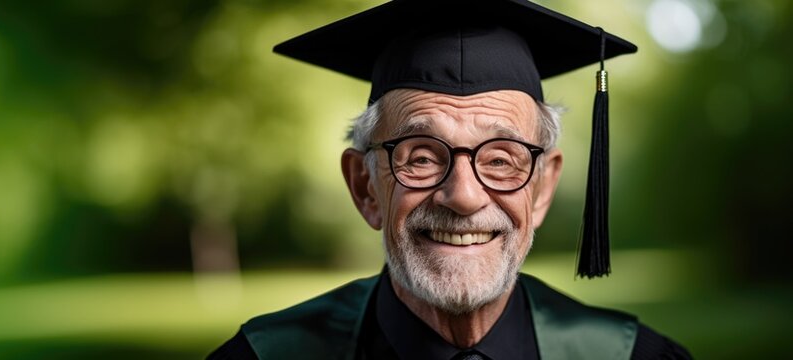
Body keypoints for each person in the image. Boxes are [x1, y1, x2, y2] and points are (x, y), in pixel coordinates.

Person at [210, 0, 691, 359]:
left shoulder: (631, 358)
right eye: (420, 157)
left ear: (542, 188)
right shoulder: (264, 357)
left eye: (502, 160)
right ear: (365, 187)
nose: (463, 195)